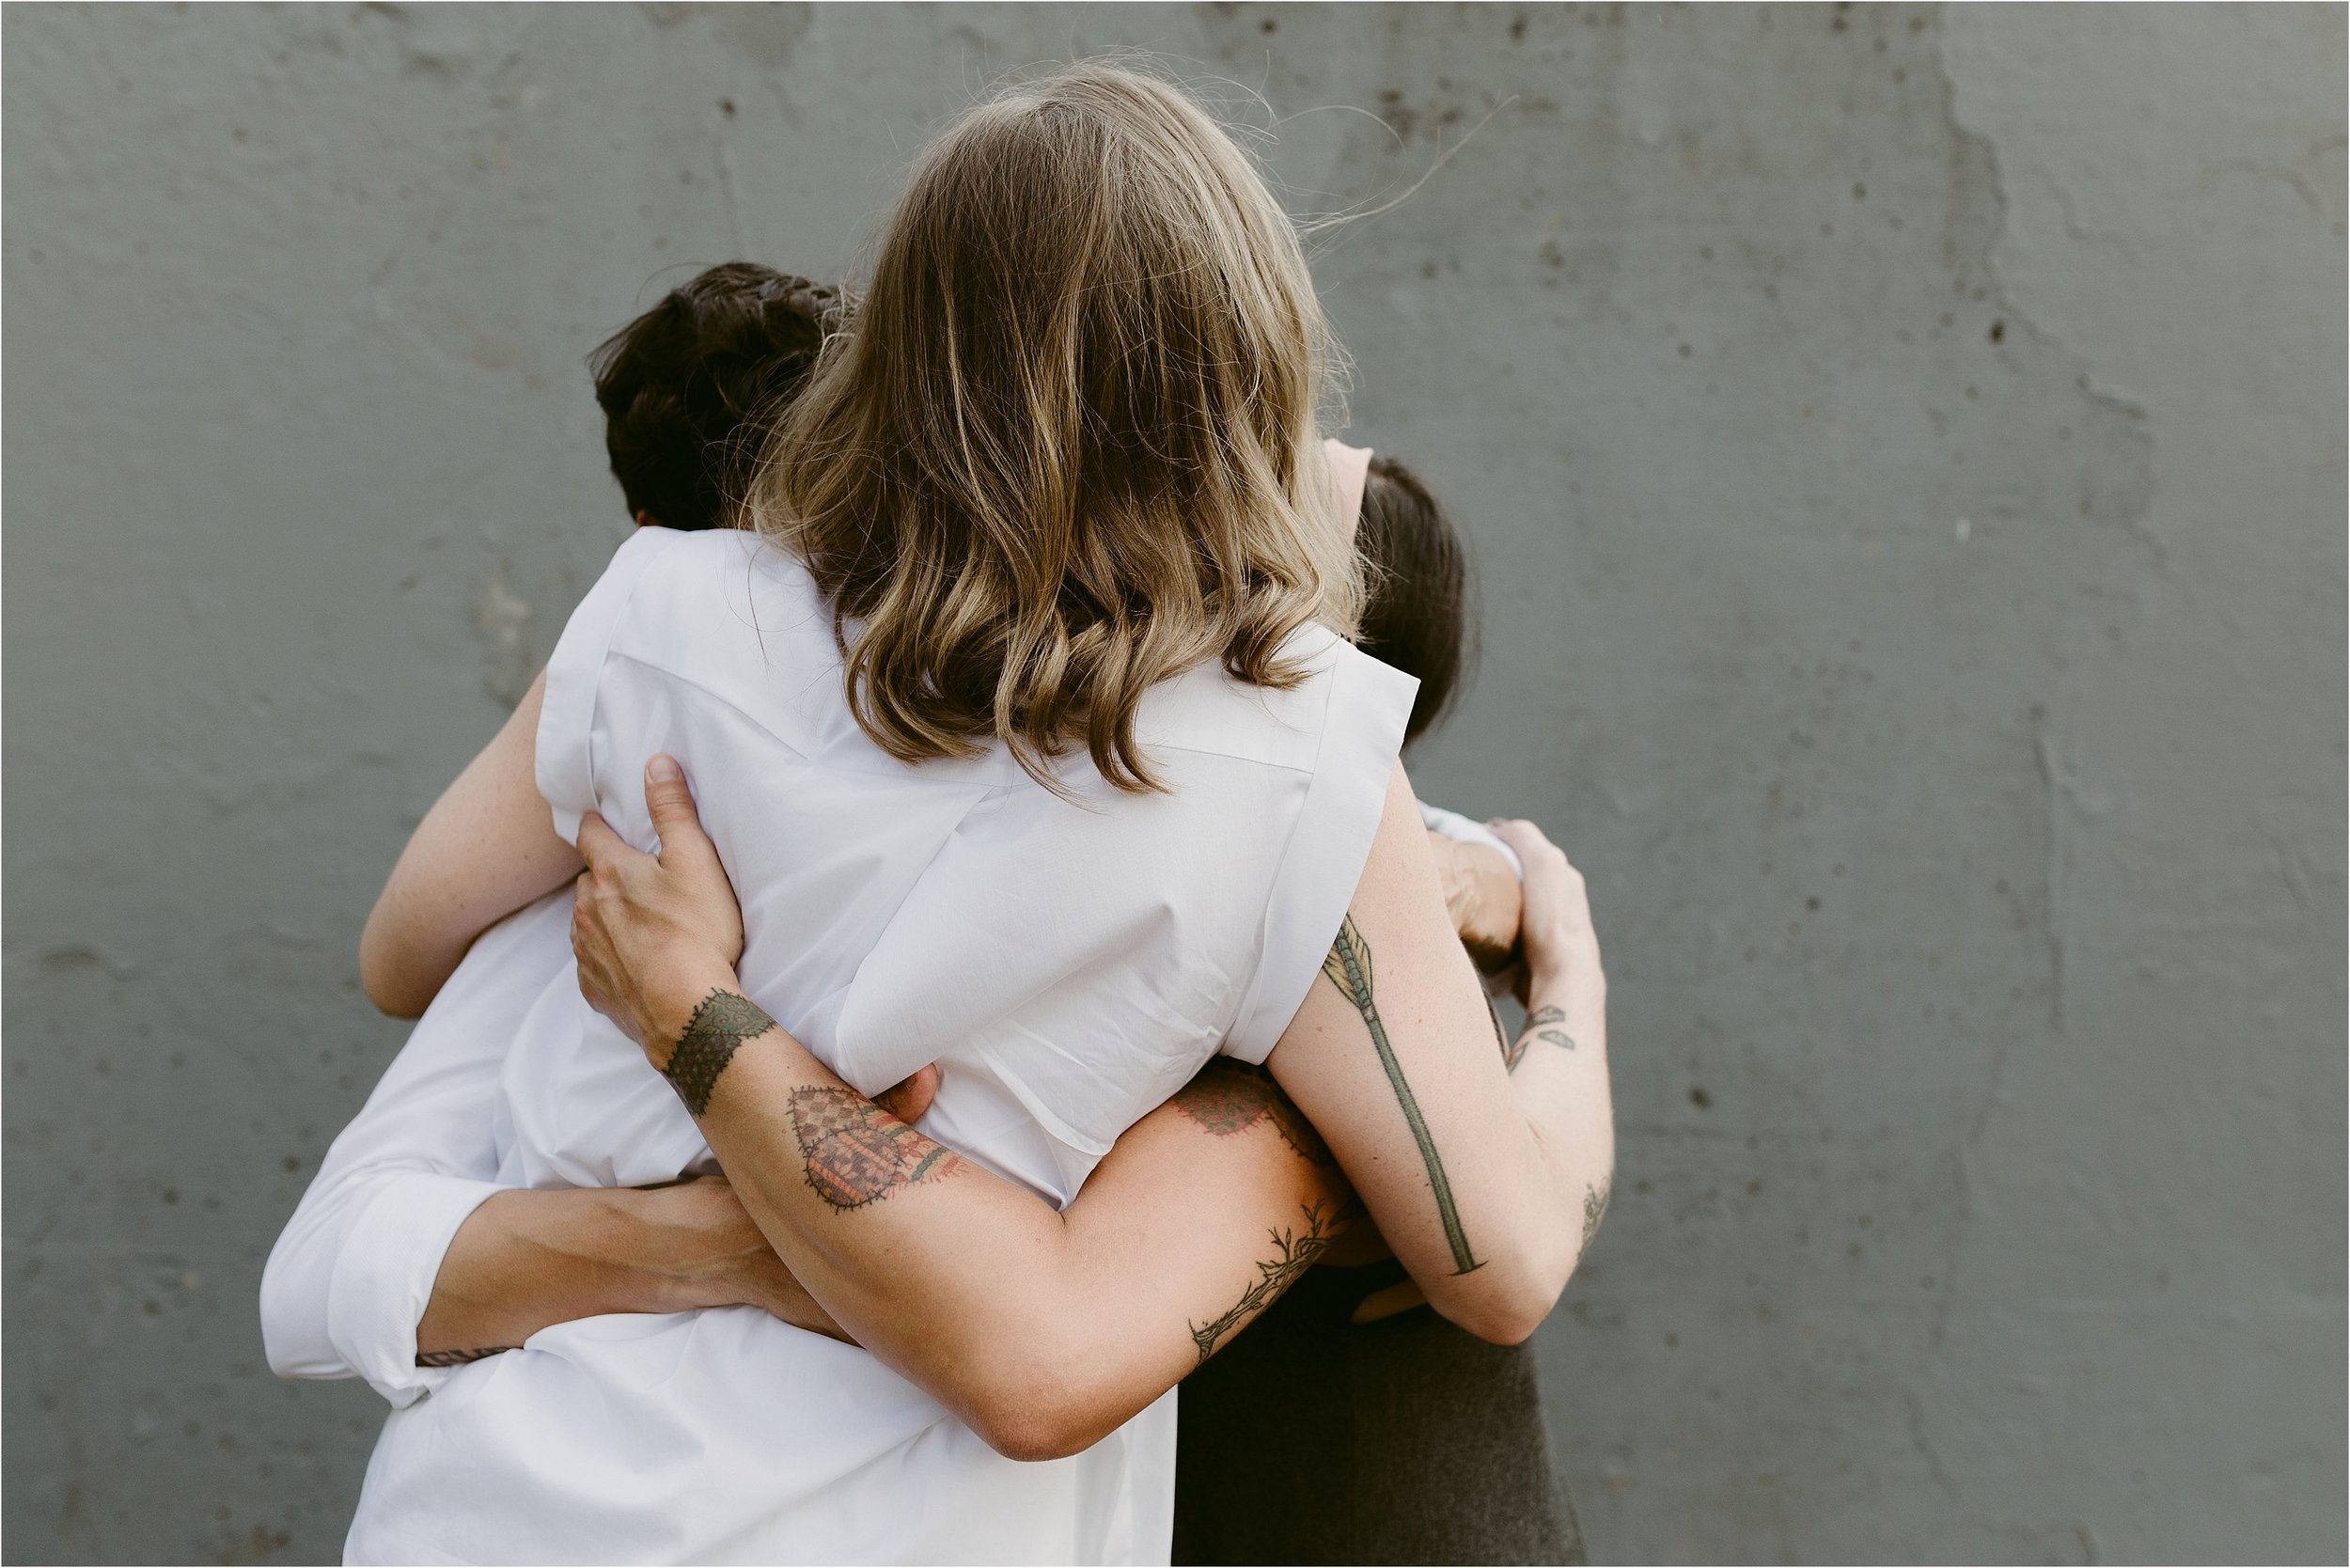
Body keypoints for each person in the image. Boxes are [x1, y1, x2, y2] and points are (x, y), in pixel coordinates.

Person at [264, 64, 1611, 1566]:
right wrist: (1569, 983)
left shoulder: (666, 610)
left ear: (896, 340)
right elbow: (1503, 1260)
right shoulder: (1297, 769)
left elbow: (406, 950)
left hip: (504, 1500)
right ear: (1249, 369)